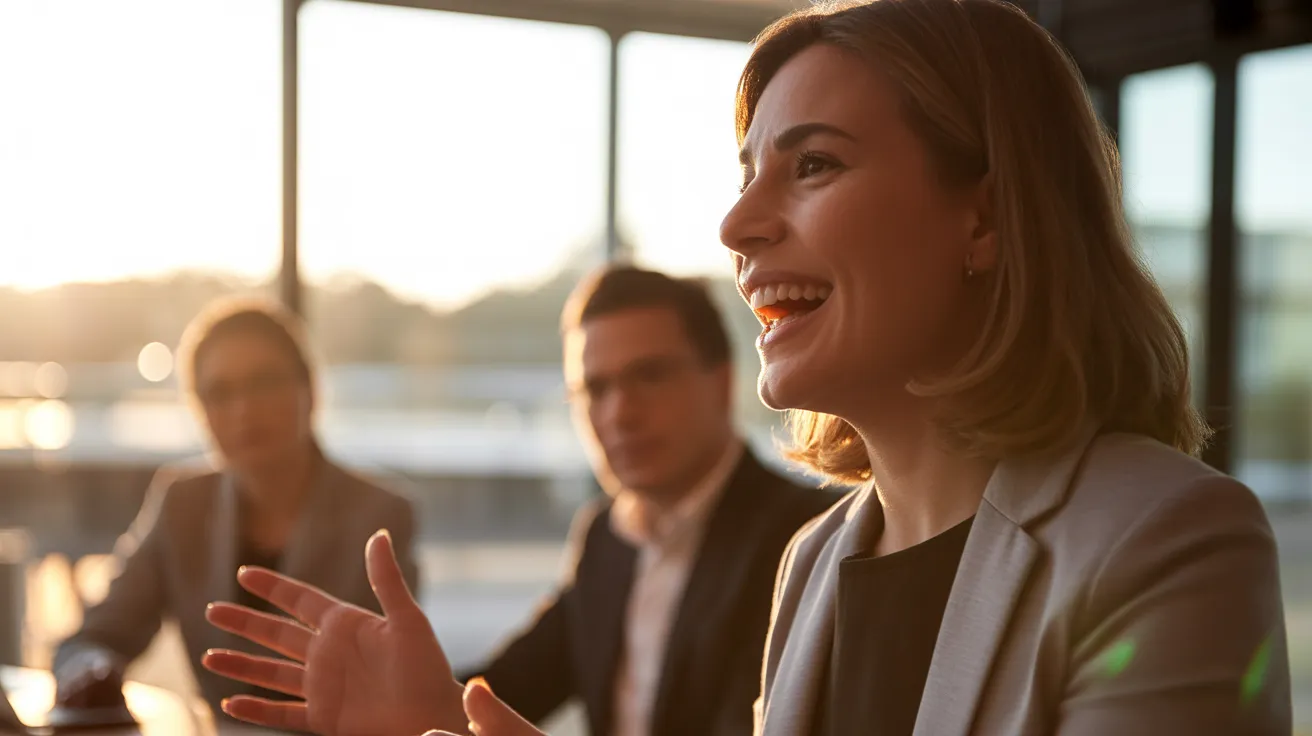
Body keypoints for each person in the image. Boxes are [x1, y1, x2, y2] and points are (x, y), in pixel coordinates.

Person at [200, 0, 1294, 734]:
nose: (735, 221)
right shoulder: (814, 561)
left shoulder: (1165, 539)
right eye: (745, 174)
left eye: (812, 163)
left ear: (988, 217)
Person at [200, 266, 835, 736]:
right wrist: (412, 699)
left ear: (721, 380)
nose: (619, 414)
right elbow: (512, 686)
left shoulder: (805, 540)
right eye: (595, 389)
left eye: (649, 375)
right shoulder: (608, 536)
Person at [52, 297, 420, 721]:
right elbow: (95, 637)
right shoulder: (183, 502)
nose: (244, 409)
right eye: (219, 392)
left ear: (311, 390)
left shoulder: (380, 514)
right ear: (200, 411)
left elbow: (391, 679)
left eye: (264, 383)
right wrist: (91, 671)